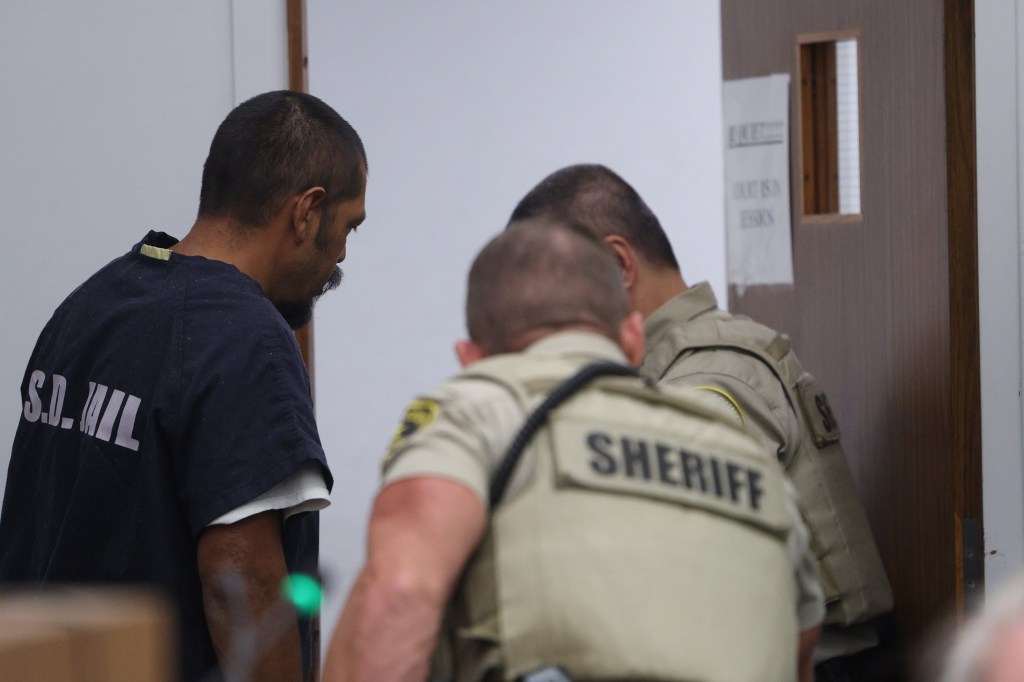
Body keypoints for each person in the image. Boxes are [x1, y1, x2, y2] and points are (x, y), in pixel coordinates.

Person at [323, 219, 824, 682]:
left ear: (471, 359)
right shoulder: (747, 455)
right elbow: (799, 644)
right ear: (632, 339)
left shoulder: (476, 411)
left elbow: (400, 594)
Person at [0, 90, 367, 682]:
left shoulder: (91, 304)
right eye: (348, 226)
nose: (343, 254)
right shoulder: (246, 338)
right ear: (306, 211)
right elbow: (241, 583)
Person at [508, 164, 894, 680]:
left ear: (618, 264)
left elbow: (690, 582)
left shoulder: (704, 378)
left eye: (543, 299)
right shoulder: (671, 366)